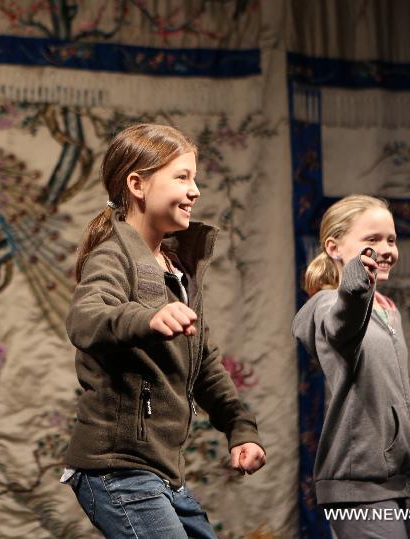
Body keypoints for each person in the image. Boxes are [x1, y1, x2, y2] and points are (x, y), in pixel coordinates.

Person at [62, 124, 266, 538]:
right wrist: (146, 318)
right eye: (182, 177)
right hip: (116, 467)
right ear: (137, 184)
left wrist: (239, 429)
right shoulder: (112, 258)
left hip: (163, 474)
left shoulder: (179, 272)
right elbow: (85, 319)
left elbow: (205, 366)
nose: (195, 191)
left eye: (195, 178)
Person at [293, 194, 410, 539]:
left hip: (393, 481)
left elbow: (377, 389)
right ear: (334, 247)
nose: (386, 248)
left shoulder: (388, 309)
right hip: (357, 481)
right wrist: (354, 288)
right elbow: (343, 325)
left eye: (391, 239)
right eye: (372, 240)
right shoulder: (328, 304)